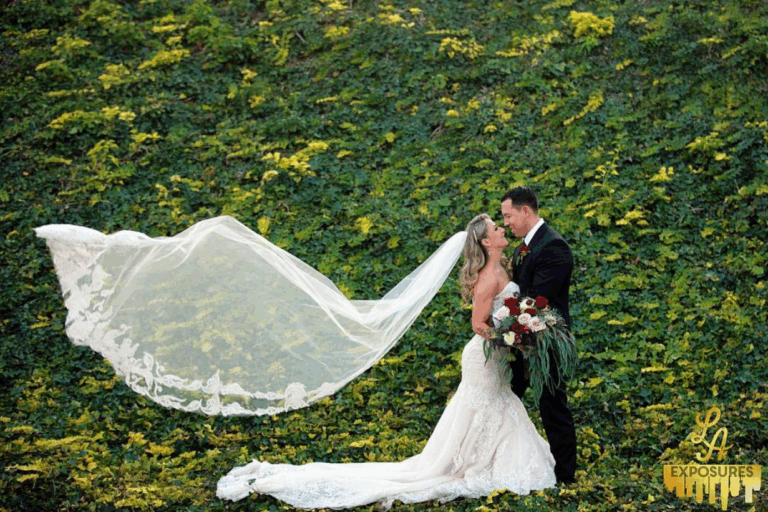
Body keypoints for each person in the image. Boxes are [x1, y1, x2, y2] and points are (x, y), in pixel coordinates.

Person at [215, 213, 557, 508]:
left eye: (500, 226)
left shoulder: (502, 266)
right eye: (495, 228)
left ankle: (479, 461)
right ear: (485, 243)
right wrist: (510, 335)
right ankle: (469, 464)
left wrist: (519, 329)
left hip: (494, 356)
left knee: (493, 404)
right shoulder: (488, 278)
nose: (501, 230)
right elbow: (478, 324)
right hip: (483, 356)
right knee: (487, 405)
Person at [500, 186, 577, 485]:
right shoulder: (525, 246)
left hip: (546, 342)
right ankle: (505, 464)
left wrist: (503, 323)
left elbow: (537, 300)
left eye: (508, 216)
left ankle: (566, 476)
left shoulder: (554, 247)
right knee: (508, 399)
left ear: (525, 211)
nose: (506, 223)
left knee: (552, 406)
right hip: (520, 339)